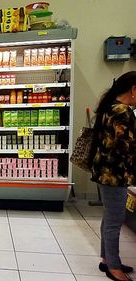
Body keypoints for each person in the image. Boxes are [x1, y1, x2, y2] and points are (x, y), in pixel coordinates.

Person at [91, 71, 136, 281]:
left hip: (104, 171)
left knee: (109, 217)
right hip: (114, 173)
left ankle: (107, 260)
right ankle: (114, 268)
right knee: (115, 219)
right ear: (133, 90)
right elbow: (123, 145)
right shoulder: (123, 111)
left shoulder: (109, 107)